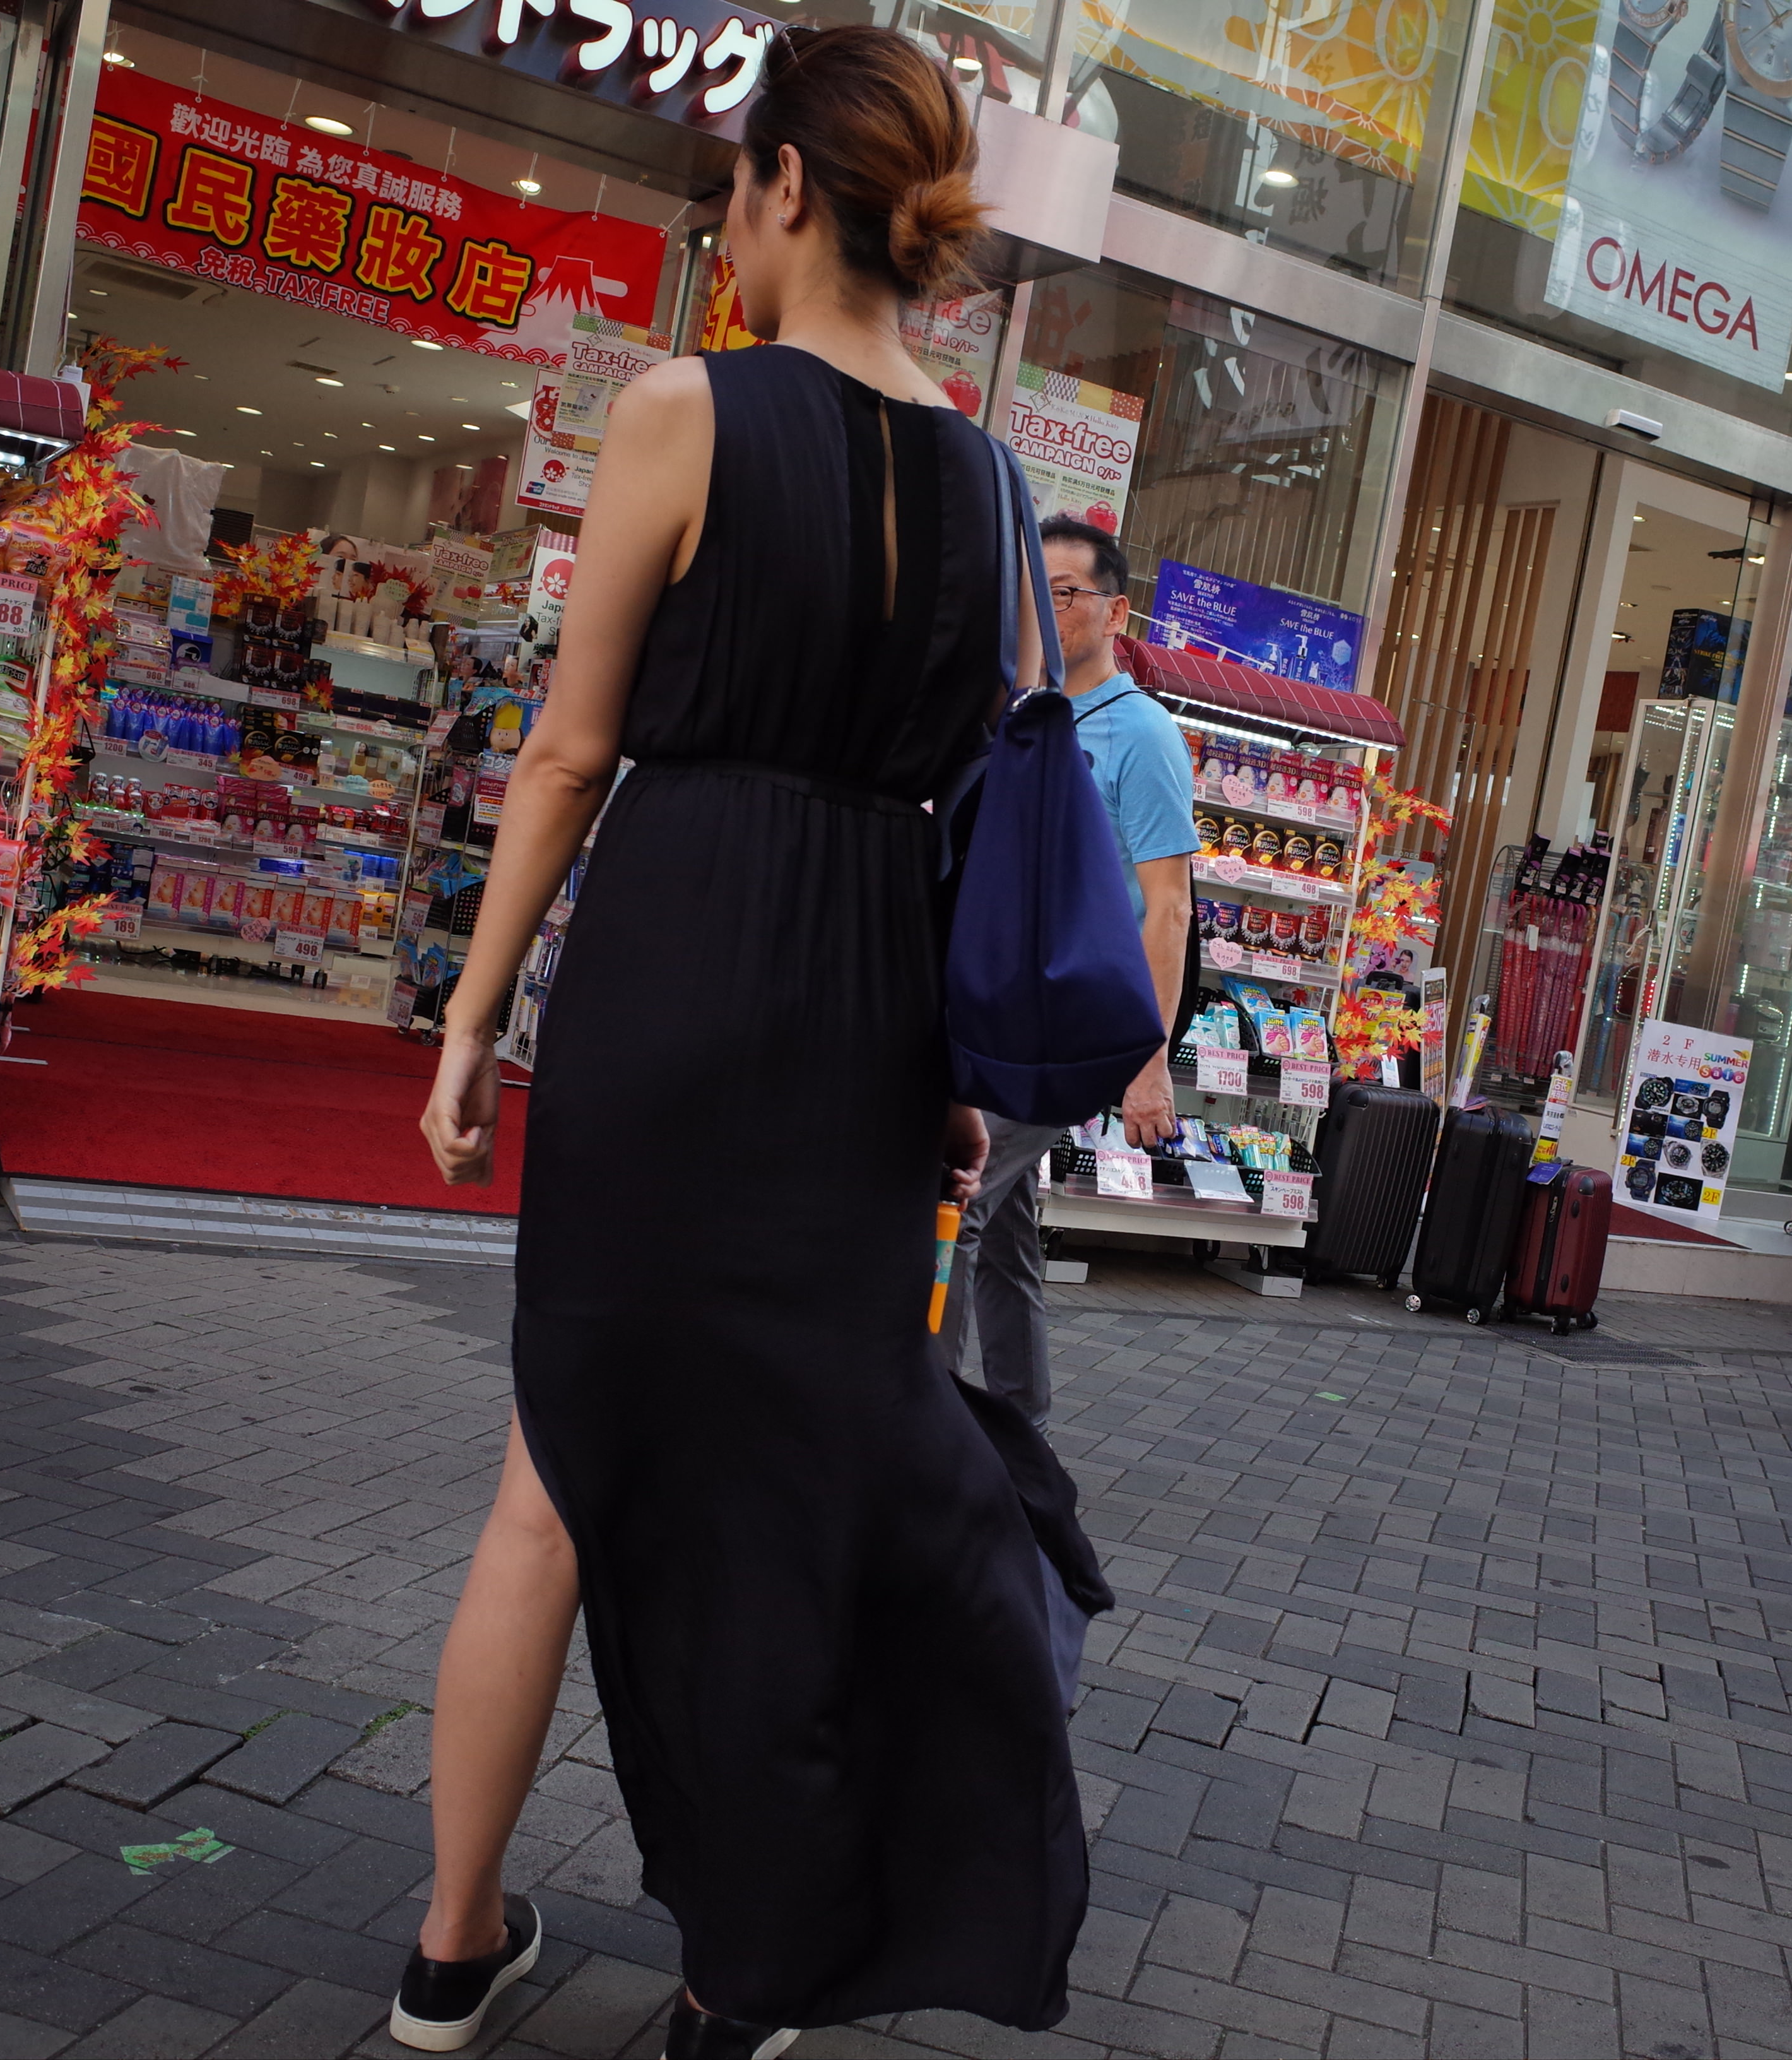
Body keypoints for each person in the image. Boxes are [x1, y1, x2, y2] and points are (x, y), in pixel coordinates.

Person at [408, 28, 1106, 2059]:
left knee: (557, 1471)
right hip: (870, 1015)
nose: (725, 225)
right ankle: (738, 1979)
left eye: (730, 187)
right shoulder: (991, 484)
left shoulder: (679, 411)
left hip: (675, 971)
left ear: (788, 185)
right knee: (797, 1491)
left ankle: (451, 1947)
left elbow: (568, 752)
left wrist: (473, 1011)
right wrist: (950, 1067)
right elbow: (978, 796)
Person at [933, 516, 1197, 1430]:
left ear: (1116, 612)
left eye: (1067, 593)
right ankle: (1021, 1430)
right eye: (1033, 591)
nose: (1045, 610)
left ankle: (927, 1430)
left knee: (954, 1199)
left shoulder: (1144, 735)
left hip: (1067, 1020)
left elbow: (1169, 908)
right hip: (1000, 1006)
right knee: (1003, 1230)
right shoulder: (1022, 712)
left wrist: (1147, 1062)